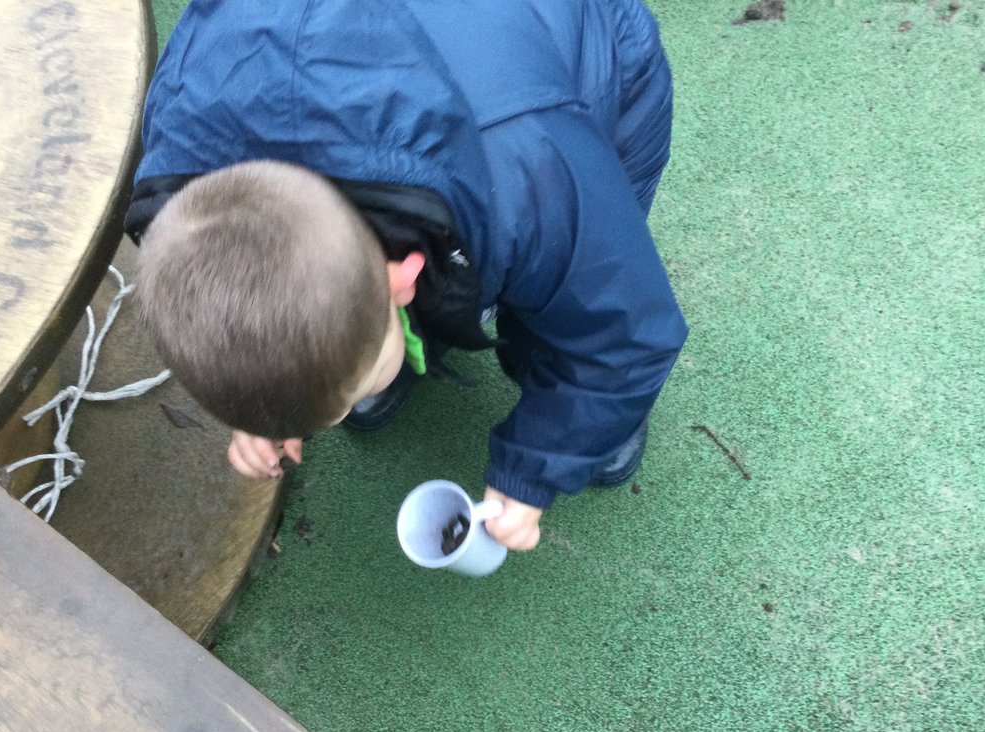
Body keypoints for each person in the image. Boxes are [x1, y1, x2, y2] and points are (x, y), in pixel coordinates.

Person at [126, 0, 689, 553]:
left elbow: (624, 331)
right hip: (415, 123)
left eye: (357, 387)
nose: (338, 417)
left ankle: (592, 424)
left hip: (583, 63)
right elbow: (236, 295)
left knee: (573, 300)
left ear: (404, 276)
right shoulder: (179, 185)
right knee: (449, 276)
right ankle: (379, 342)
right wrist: (264, 402)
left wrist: (536, 470)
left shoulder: (533, 178)